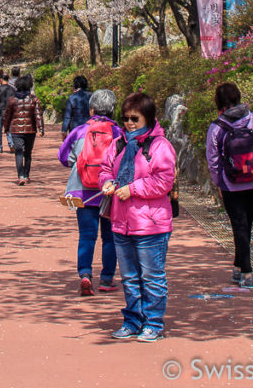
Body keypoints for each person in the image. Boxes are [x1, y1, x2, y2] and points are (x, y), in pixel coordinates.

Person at [99, 92, 176, 343]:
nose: (129, 123)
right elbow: (105, 169)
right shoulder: (118, 143)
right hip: (121, 222)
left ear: (148, 118)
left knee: (152, 277)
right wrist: (108, 182)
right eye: (126, 118)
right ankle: (132, 320)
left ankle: (153, 322)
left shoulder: (159, 146)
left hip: (151, 224)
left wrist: (132, 189)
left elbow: (163, 181)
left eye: (135, 118)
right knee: (130, 277)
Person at [205, 81, 253, 288]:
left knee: (240, 225)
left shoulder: (217, 127)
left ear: (218, 103)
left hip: (232, 184)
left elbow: (213, 160)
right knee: (246, 223)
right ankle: (238, 266)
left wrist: (219, 182)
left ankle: (246, 272)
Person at [58, 89, 121, 295]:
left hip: (81, 191)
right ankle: (107, 278)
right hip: (110, 191)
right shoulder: (119, 133)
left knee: (86, 235)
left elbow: (63, 157)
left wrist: (81, 165)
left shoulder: (79, 131)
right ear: (113, 109)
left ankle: (85, 274)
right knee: (110, 237)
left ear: (91, 109)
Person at [3, 74, 44, 185]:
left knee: (19, 153)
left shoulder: (12, 100)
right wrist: (41, 129)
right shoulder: (34, 99)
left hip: (16, 130)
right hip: (30, 130)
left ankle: (20, 176)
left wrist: (6, 128)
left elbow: (7, 115)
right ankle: (26, 175)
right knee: (28, 153)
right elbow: (38, 115)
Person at [0, 73, 15, 154]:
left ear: (1, 80)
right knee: (8, 129)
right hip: (9, 112)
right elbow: (14, 101)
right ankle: (11, 144)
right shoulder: (12, 90)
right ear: (8, 80)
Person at [62, 75, 91, 139]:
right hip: (90, 129)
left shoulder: (72, 98)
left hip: (75, 130)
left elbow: (67, 117)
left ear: (75, 85)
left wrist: (64, 130)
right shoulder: (92, 96)